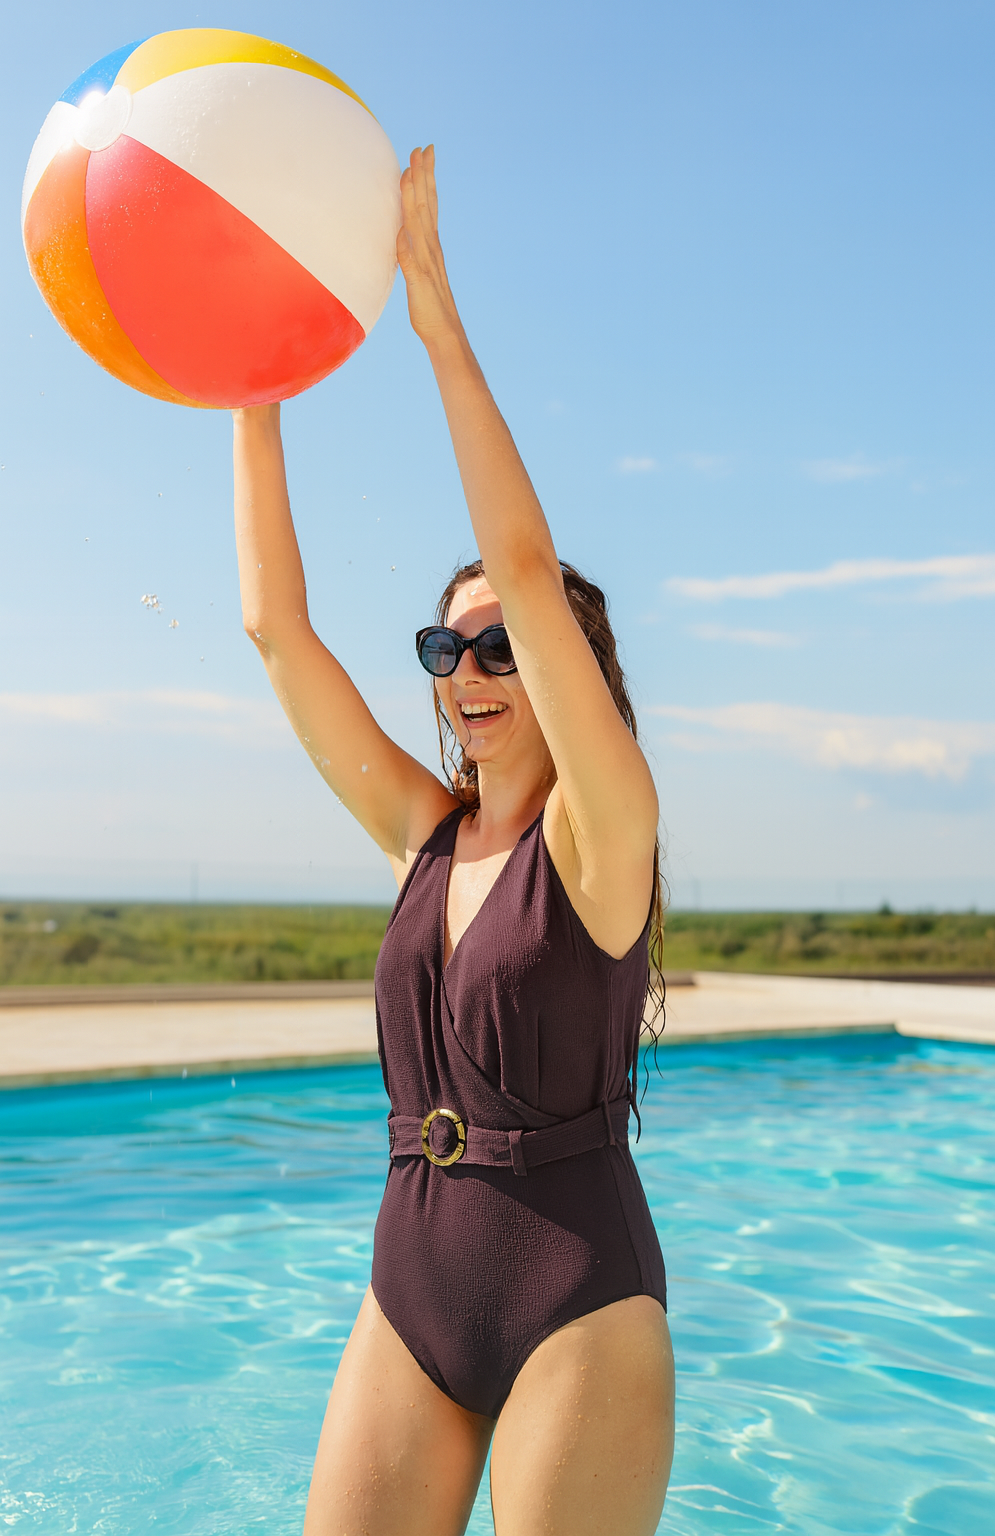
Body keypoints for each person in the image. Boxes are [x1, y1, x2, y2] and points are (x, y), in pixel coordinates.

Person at [232, 145, 675, 1536]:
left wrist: (435, 324)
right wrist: (250, 392)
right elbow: (276, 632)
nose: (471, 669)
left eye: (502, 645)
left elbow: (529, 571)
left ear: (569, 671)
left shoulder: (606, 838)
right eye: (447, 645)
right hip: (408, 1282)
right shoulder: (426, 837)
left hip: (578, 1299)